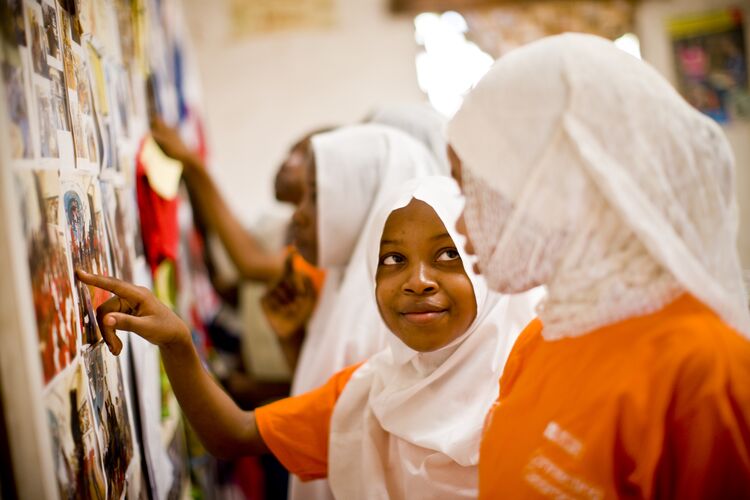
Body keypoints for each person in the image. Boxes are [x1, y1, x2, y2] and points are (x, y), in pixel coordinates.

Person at [75, 176, 538, 499]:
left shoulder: (533, 384)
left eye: (447, 254)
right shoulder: (368, 394)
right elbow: (233, 434)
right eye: (393, 259)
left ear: (486, 261)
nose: (418, 280)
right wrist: (177, 343)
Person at [445, 33, 750, 498]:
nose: (462, 225)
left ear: (561, 188)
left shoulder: (705, 368)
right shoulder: (543, 337)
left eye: (475, 194)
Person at [262, 124, 448, 499]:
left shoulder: (402, 317)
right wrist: (293, 340)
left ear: (366, 199)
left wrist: (177, 344)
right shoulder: (343, 288)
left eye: (315, 197)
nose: (298, 216)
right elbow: (328, 414)